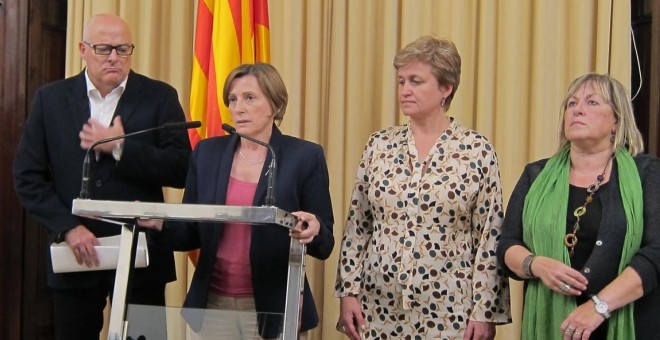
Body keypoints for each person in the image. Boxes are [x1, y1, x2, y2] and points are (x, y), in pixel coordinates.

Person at [12, 13, 192, 339]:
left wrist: (123, 148)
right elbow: (27, 176)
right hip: (77, 255)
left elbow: (182, 169)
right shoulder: (51, 99)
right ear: (82, 49)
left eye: (123, 49)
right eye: (104, 48)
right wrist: (67, 227)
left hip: (142, 254)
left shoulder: (160, 96)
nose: (114, 57)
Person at [139, 62, 334, 339]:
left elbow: (325, 243)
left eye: (249, 98)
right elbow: (188, 233)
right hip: (213, 306)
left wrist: (313, 230)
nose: (238, 107)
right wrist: (159, 223)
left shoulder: (304, 156)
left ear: (275, 106)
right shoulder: (207, 153)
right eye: (232, 99)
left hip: (275, 306)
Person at [334, 35, 511, 340]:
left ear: (446, 88)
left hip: (450, 309)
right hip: (378, 308)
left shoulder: (476, 150)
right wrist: (348, 291)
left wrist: (485, 311)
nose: (405, 90)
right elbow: (358, 226)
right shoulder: (379, 145)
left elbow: (489, 237)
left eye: (416, 81)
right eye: (401, 81)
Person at [497, 73, 660, 340]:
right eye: (572, 104)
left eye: (592, 103)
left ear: (616, 120)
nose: (578, 110)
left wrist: (599, 307)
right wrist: (535, 264)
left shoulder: (646, 173)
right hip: (555, 327)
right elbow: (507, 244)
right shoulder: (536, 175)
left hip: (628, 323)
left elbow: (656, 253)